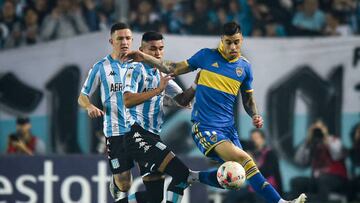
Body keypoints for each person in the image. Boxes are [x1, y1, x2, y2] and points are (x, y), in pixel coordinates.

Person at [123, 21, 307, 203]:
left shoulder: (244, 68)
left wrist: (255, 115)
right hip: (205, 128)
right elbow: (173, 68)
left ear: (241, 40)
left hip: (228, 130)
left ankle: (191, 177)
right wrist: (144, 57)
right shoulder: (206, 56)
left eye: (236, 42)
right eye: (228, 42)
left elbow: (248, 100)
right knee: (245, 159)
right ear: (221, 40)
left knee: (236, 176)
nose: (233, 46)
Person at [122, 31, 198, 203]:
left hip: (152, 136)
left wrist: (197, 83)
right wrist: (158, 90)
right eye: (152, 49)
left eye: (161, 49)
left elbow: (183, 100)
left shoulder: (161, 74)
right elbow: (127, 100)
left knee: (154, 197)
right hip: (136, 135)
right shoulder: (134, 69)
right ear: (142, 49)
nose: (157, 53)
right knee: (182, 175)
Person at [78, 22, 147, 203]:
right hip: (115, 132)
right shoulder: (101, 67)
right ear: (111, 41)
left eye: (128, 38)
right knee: (125, 184)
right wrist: (89, 106)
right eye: (120, 38)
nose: (124, 42)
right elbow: (82, 96)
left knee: (151, 176)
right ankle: (116, 184)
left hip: (139, 130)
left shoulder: (140, 66)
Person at [294, 119, 348, 202]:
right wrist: (307, 142)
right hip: (317, 179)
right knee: (297, 182)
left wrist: (326, 138)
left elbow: (337, 155)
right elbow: (299, 160)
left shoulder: (333, 140)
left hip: (336, 178)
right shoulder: (311, 143)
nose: (318, 131)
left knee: (323, 180)